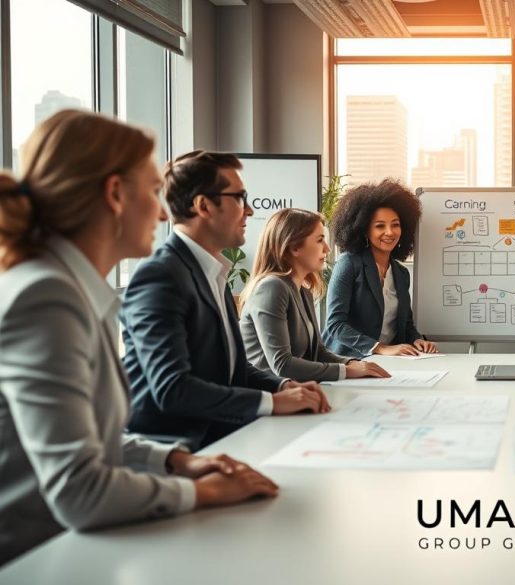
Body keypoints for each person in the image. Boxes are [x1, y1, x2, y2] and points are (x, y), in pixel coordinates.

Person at [0, 111, 278, 566]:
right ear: (114, 194)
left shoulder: (66, 289)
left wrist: (175, 462)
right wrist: (200, 492)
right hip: (39, 558)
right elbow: (80, 490)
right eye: (153, 191)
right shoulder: (46, 297)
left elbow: (98, 439)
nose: (165, 210)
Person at [121, 151, 330, 450]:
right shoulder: (161, 276)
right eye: (240, 198)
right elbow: (173, 388)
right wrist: (271, 402)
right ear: (204, 206)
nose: (249, 210)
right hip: (183, 450)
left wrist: (283, 385)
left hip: (225, 435)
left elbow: (232, 368)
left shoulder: (212, 272)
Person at [239, 208, 390, 382]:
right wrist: (346, 371)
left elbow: (318, 352)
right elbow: (282, 365)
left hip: (299, 391)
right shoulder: (272, 287)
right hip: (271, 396)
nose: (327, 248)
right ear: (294, 247)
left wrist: (353, 363)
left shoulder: (303, 291)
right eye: (320, 240)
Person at [323, 179, 437, 358]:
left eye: (395, 224)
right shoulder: (349, 264)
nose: (390, 232)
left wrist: (417, 340)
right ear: (364, 230)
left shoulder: (401, 273)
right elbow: (336, 325)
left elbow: (405, 324)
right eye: (380, 226)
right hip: (348, 360)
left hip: (391, 363)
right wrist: (380, 347)